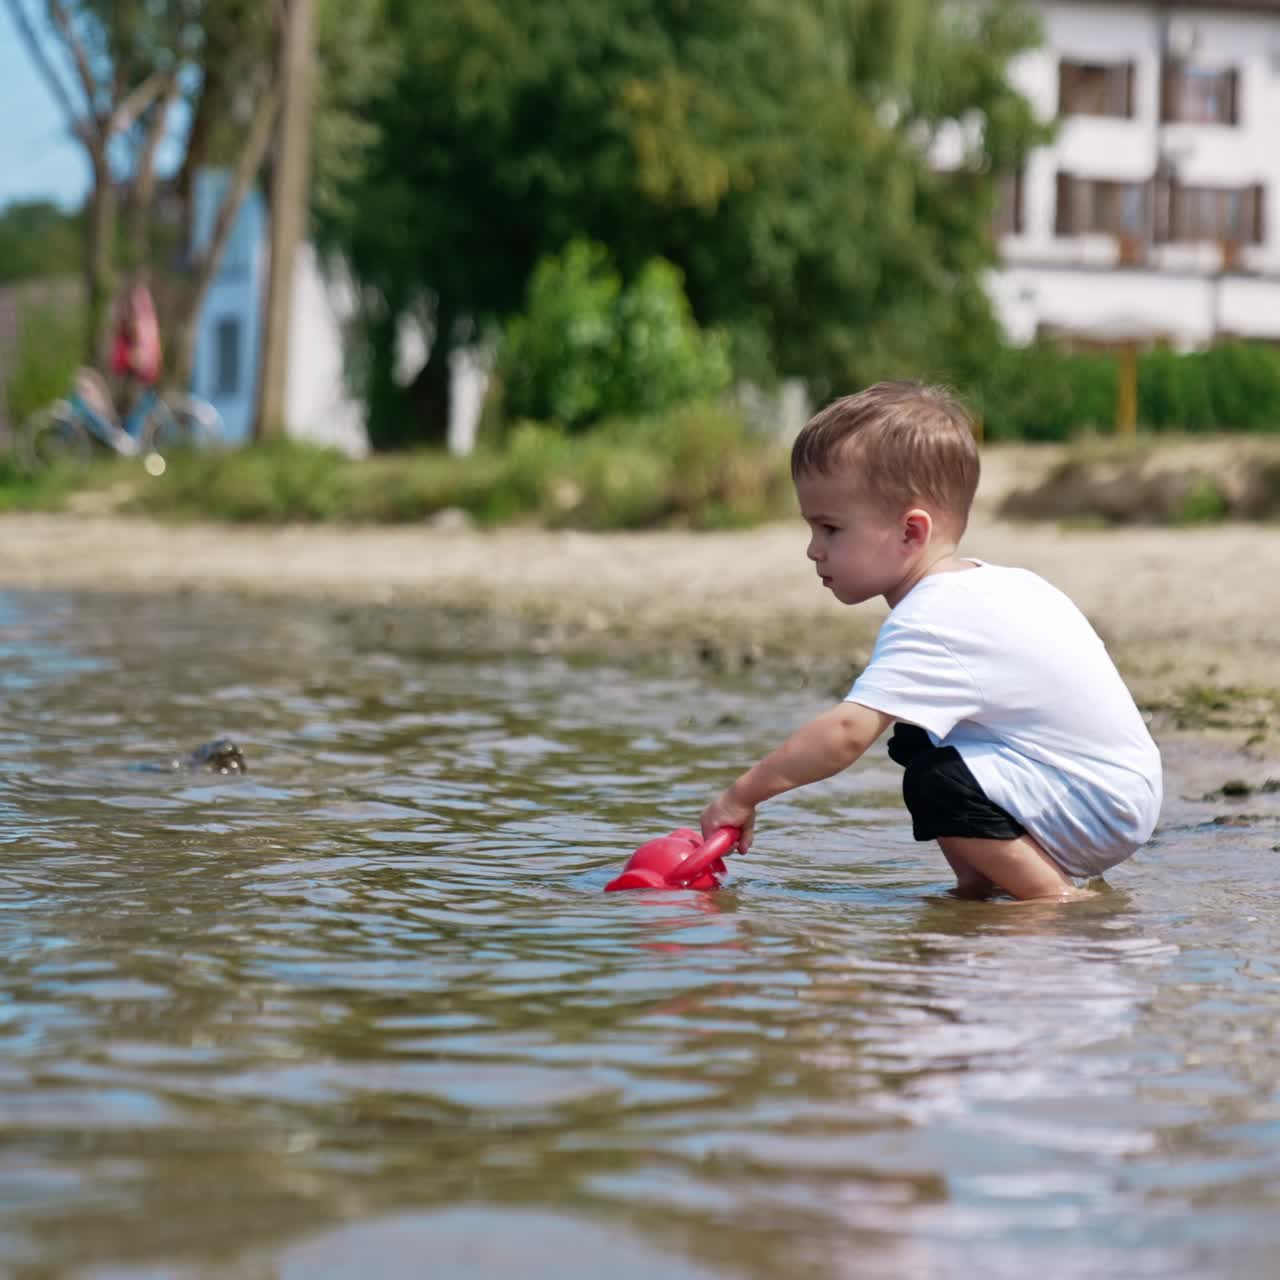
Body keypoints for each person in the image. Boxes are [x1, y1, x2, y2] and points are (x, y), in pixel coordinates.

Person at [700, 381, 1162, 901]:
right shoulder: (997, 582)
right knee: (917, 738)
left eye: (830, 529)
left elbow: (848, 732)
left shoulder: (933, 616)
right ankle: (980, 886)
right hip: (1116, 790)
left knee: (933, 779)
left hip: (1092, 803)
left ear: (910, 533)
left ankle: (1054, 901)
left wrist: (743, 795)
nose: (813, 550)